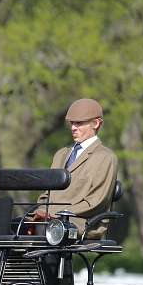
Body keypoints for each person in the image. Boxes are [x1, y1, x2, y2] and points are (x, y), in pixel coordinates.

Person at [29, 98, 118, 240]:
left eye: (79, 123)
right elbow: (47, 194)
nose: (73, 127)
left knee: (47, 228)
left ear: (95, 123)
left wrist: (54, 213)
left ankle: (47, 262)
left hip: (82, 221)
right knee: (12, 226)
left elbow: (96, 202)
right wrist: (40, 212)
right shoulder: (61, 154)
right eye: (72, 123)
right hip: (51, 219)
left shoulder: (105, 157)